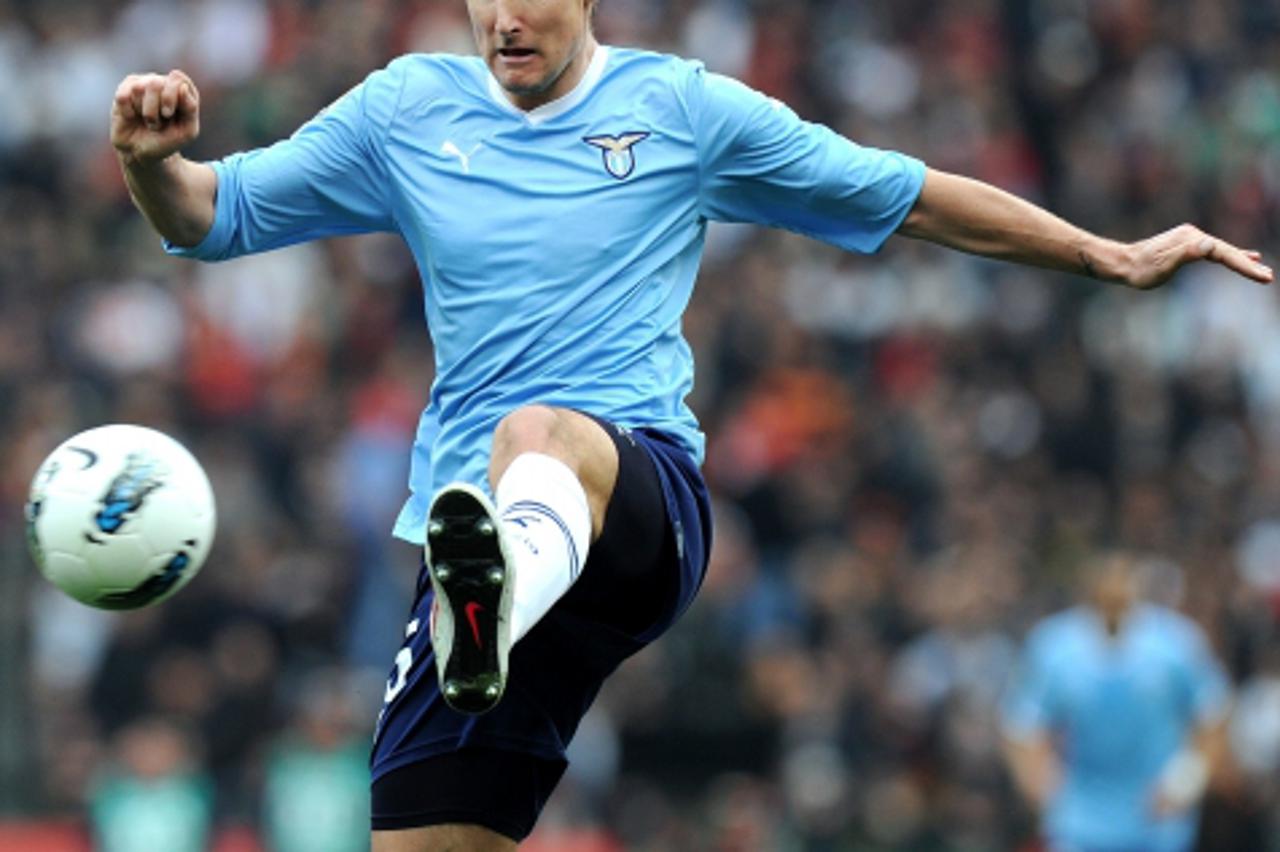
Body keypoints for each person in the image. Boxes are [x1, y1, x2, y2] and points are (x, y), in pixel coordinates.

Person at [109, 0, 1270, 847]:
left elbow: (897, 191)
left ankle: (495, 589)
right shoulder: (406, 109)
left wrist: (1101, 253)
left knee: (538, 433)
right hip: (468, 553)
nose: (506, 19)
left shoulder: (678, 107)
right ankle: (487, 603)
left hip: (635, 507)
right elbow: (214, 214)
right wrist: (150, 162)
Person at [1002, 553, 1231, 852]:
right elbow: (1022, 723)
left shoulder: (1175, 642)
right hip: (1079, 817)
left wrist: (1186, 780)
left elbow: (1213, 715)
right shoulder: (1054, 646)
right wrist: (1042, 785)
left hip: (1156, 813)